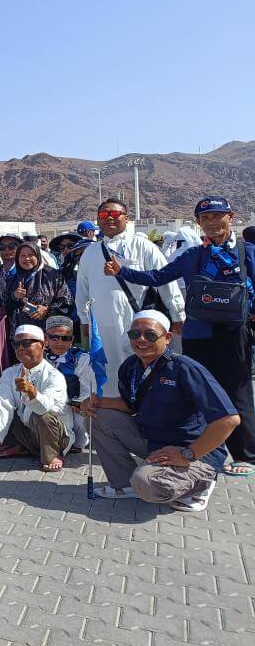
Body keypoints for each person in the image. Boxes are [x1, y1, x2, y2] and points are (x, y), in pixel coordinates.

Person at [104, 197, 255, 476]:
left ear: (231, 217)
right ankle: (205, 450)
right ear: (198, 223)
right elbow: (156, 277)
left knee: (238, 392)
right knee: (196, 393)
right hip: (198, 332)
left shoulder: (247, 252)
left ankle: (246, 455)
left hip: (235, 333)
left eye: (217, 215)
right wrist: (122, 271)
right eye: (205, 218)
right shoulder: (192, 255)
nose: (211, 222)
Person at [81, 311, 240, 511]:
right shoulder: (130, 366)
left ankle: (200, 484)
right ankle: (124, 485)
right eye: (134, 334)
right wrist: (97, 402)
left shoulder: (185, 369)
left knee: (147, 484)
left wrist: (188, 454)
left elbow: (229, 419)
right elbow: (131, 406)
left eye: (150, 335)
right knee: (96, 418)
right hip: (155, 442)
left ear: (167, 338)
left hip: (193, 450)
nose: (141, 340)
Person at [76, 199, 185, 383]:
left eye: (115, 214)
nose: (109, 218)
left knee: (141, 367)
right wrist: (84, 319)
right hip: (102, 324)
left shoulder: (143, 246)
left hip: (136, 320)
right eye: (104, 215)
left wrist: (177, 316)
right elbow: (83, 290)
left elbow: (165, 282)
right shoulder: (90, 252)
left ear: (126, 218)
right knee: (108, 369)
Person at [0, 324, 75, 472]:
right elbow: (4, 405)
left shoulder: (54, 376)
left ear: (43, 345)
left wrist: (33, 394)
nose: (20, 348)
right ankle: (20, 447)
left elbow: (47, 409)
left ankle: (51, 455)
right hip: (28, 431)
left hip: (55, 436)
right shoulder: (10, 373)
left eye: (26, 343)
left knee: (42, 416)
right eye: (16, 344)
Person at [42, 315, 94, 449]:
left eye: (65, 338)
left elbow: (87, 390)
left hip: (74, 408)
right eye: (54, 337)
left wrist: (75, 404)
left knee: (79, 439)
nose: (60, 342)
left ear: (72, 340)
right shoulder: (38, 357)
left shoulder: (81, 358)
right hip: (46, 406)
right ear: (46, 338)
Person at [4, 241, 71, 335]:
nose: (27, 258)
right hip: (21, 333)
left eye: (31, 255)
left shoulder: (52, 275)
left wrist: (48, 310)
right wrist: (14, 296)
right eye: (22, 256)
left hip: (48, 332)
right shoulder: (12, 280)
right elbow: (4, 306)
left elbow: (66, 300)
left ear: (38, 256)